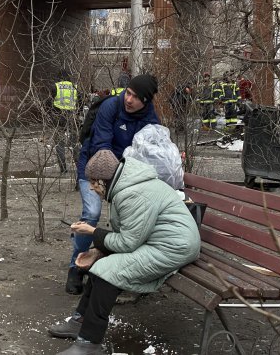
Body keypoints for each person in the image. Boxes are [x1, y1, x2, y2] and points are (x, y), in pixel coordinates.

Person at [49, 150, 201, 355]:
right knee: (101, 267)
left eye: (94, 182)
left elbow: (128, 242)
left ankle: (89, 344)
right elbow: (130, 234)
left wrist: (94, 232)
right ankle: (80, 322)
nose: (92, 188)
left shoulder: (132, 193)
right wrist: (97, 251)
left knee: (109, 272)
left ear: (105, 179)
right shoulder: (125, 186)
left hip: (173, 247)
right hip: (156, 241)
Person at [66, 74, 160, 295]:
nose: (129, 99)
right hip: (94, 165)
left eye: (136, 97)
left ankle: (112, 269)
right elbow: (101, 145)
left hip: (125, 175)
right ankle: (75, 268)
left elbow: (152, 151)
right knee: (92, 212)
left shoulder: (150, 119)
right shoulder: (111, 106)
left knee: (127, 221)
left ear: (145, 101)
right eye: (128, 92)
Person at [50, 79, 79, 173]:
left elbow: (49, 101)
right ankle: (79, 166)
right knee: (75, 142)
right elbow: (80, 101)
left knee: (59, 143)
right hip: (72, 116)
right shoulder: (74, 87)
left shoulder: (56, 86)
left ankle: (63, 168)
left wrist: (51, 113)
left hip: (59, 116)